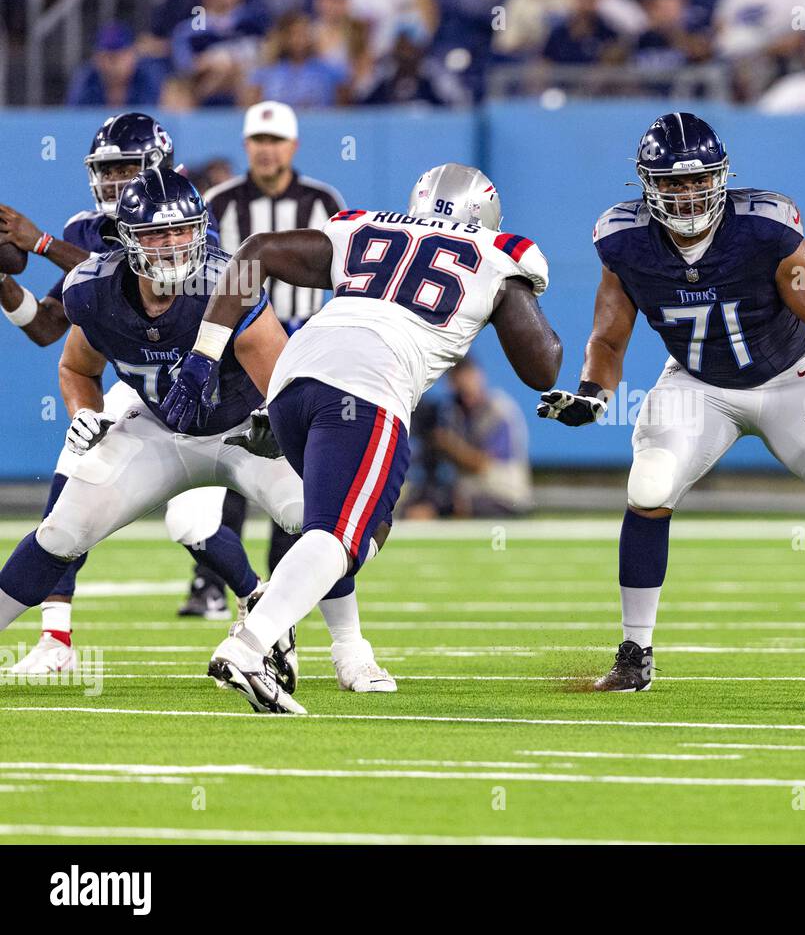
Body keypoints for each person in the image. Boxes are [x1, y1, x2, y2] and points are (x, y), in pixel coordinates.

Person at [538, 112, 805, 693]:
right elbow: (609, 336)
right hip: (697, 384)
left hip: (791, 380)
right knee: (648, 487)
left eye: (699, 181)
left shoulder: (764, 230)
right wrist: (593, 393)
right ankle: (634, 655)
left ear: (722, 178)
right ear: (647, 185)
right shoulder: (625, 242)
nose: (688, 194)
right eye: (672, 182)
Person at [159, 163, 563, 713]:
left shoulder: (366, 226)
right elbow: (542, 369)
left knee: (360, 523)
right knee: (339, 535)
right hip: (368, 385)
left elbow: (253, 253)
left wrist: (206, 353)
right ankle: (251, 644)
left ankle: (351, 652)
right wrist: (518, 292)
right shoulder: (498, 255)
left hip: (293, 379)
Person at [0, 113, 237, 676]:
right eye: (106, 170)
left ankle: (264, 603)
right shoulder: (87, 226)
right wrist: (5, 284)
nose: (113, 181)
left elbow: (135, 276)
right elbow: (49, 326)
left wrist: (39, 242)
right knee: (70, 486)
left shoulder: (183, 221)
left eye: (127, 167)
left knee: (197, 524)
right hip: (137, 391)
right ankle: (55, 637)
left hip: (210, 395)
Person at [181, 101, 345, 619]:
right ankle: (211, 582)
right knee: (227, 462)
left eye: (275, 140)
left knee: (292, 464)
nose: (266, 149)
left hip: (305, 347)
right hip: (237, 348)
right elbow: (199, 272)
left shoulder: (323, 201)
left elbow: (343, 275)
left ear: (292, 147)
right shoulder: (220, 201)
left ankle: (282, 587)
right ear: (246, 144)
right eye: (257, 139)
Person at [407, 358, 534, 518]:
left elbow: (482, 464)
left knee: (436, 509)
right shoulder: (452, 411)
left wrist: (446, 443)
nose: (464, 385)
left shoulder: (499, 410)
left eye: (468, 377)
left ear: (479, 376)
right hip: (467, 492)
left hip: (503, 494)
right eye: (457, 380)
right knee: (420, 502)